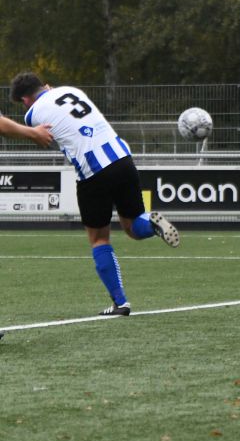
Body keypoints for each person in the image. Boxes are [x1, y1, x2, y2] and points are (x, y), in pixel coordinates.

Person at [10, 72, 180, 316]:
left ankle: (121, 303)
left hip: (93, 171)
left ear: (25, 100)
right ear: (45, 85)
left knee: (99, 239)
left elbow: (45, 137)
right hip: (123, 158)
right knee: (133, 226)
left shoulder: (31, 114)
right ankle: (152, 224)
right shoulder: (72, 90)